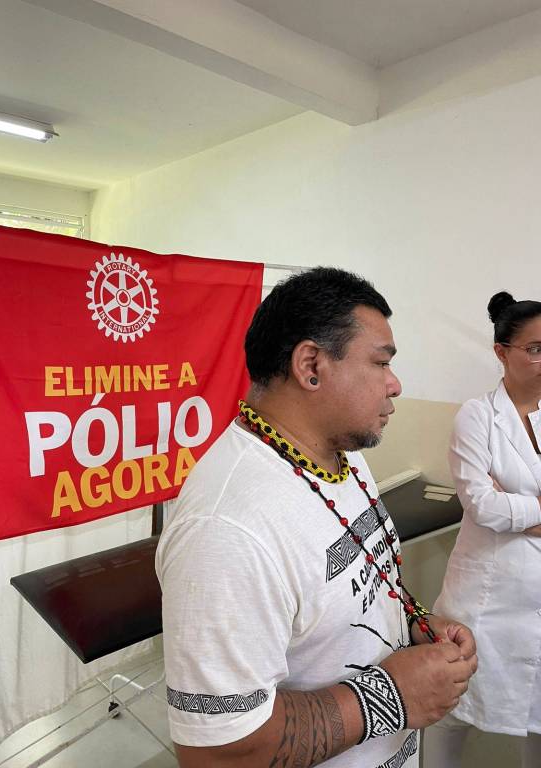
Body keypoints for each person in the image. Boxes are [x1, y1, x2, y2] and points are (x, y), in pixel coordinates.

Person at [156, 267, 477, 768]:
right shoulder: (227, 529)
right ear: (311, 366)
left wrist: (416, 623)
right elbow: (215, 753)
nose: (395, 384)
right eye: (381, 362)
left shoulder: (341, 456)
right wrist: (393, 696)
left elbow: (352, 582)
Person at [423, 291, 541, 768]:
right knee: (452, 712)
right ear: (501, 352)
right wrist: (521, 508)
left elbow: (497, 505)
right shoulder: (477, 416)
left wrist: (514, 506)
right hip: (485, 605)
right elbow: (482, 505)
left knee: (537, 721)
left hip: (535, 603)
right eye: (534, 348)